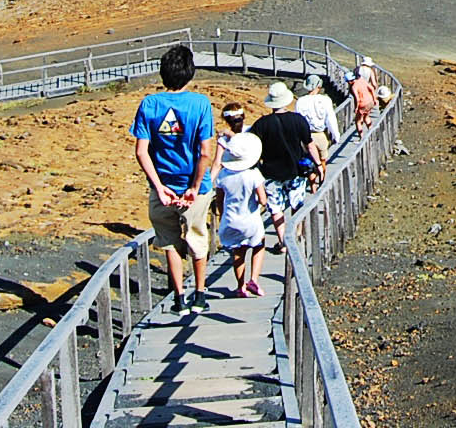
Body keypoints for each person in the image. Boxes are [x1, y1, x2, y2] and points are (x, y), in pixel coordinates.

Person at [130, 44, 215, 314]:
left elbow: (141, 151)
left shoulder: (149, 104)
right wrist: (193, 186)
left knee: (169, 240)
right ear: (190, 74)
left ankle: (179, 297)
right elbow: (205, 152)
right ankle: (200, 294)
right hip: (195, 188)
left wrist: (159, 188)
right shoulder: (200, 104)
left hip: (162, 186)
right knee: (197, 238)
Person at [249, 80, 323, 244]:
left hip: (270, 174)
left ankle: (283, 241)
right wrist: (318, 165)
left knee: (276, 209)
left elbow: (251, 146)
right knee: (297, 204)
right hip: (295, 171)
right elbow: (309, 145)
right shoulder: (298, 120)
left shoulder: (261, 124)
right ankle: (297, 234)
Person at [214, 131, 269, 298]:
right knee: (259, 245)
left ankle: (240, 287)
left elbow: (219, 200)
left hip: (230, 219)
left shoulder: (223, 175)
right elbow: (263, 199)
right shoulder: (253, 175)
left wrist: (222, 214)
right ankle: (253, 279)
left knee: (238, 251)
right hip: (250, 218)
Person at [294, 74, 341, 154]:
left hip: (306, 136)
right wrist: (336, 135)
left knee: (308, 158)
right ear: (319, 86)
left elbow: (297, 121)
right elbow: (330, 119)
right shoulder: (325, 100)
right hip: (320, 134)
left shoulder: (300, 101)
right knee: (322, 161)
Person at [350, 66, 379, 137]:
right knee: (366, 116)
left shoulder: (354, 86)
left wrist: (356, 108)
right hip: (370, 102)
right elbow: (372, 88)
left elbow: (357, 98)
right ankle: (371, 131)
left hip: (363, 104)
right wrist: (374, 99)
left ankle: (361, 136)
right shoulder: (363, 80)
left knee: (358, 121)